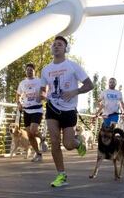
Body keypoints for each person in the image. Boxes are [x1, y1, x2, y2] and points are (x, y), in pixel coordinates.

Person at [40, 36, 94, 187]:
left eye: (60, 44)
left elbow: (90, 85)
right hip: (52, 108)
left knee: (68, 144)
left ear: (66, 49)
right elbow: (43, 90)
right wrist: (43, 96)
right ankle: (61, 175)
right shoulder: (46, 69)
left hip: (69, 110)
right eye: (54, 44)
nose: (56, 46)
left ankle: (78, 143)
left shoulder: (73, 66)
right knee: (55, 142)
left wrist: (74, 92)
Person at [16, 63, 47, 162]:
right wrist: (19, 103)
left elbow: (45, 91)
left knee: (33, 130)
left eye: (31, 70)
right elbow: (18, 95)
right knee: (30, 135)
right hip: (26, 110)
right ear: (25, 71)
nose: (29, 71)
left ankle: (42, 139)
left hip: (37, 109)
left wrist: (43, 95)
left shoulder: (39, 81)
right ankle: (38, 154)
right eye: (27, 70)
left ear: (34, 71)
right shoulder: (22, 83)